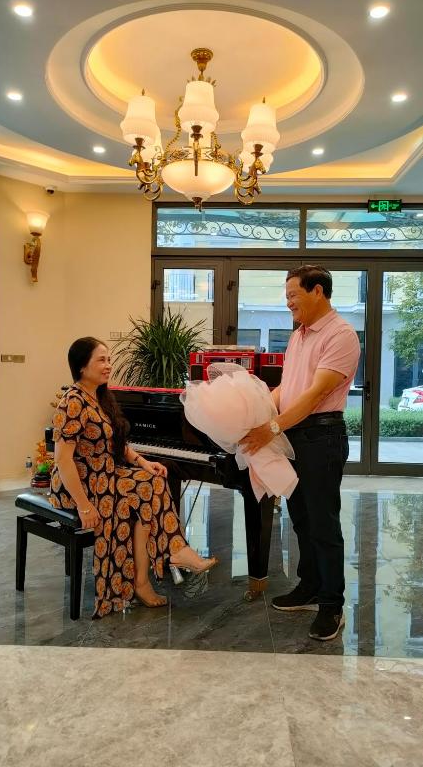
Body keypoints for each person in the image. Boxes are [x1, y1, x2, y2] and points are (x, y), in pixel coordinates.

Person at [49, 336, 217, 619]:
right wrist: (84, 506)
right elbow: (62, 460)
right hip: (76, 484)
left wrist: (144, 462)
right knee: (147, 489)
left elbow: (117, 445)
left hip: (105, 475)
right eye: (101, 360)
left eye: (109, 359)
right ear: (81, 367)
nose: (108, 365)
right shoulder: (72, 402)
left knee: (152, 482)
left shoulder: (101, 396)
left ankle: (149, 575)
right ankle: (169, 557)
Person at [240, 265, 360, 641]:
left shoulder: (341, 335)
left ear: (318, 291)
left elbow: (314, 395)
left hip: (321, 437)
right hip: (293, 436)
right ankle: (309, 586)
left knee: (324, 524)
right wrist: (256, 409)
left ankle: (332, 605)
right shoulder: (298, 335)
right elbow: (287, 389)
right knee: (302, 519)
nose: (288, 302)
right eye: (287, 295)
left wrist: (271, 428)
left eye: (293, 294)